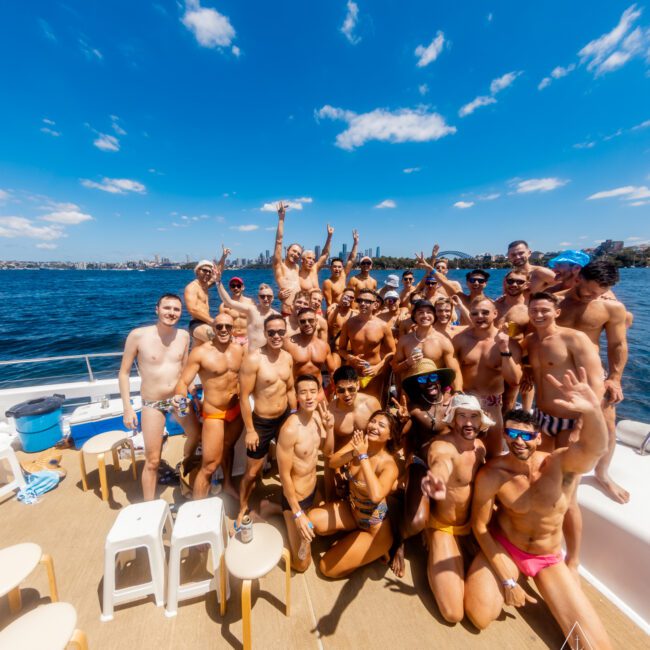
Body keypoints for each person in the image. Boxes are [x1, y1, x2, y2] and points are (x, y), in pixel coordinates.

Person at [464, 370, 612, 649]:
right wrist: (508, 579)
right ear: (505, 435)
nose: (518, 440)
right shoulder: (493, 474)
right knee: (479, 615)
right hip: (506, 546)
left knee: (595, 646)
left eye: (526, 435)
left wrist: (593, 412)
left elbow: (594, 449)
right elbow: (480, 526)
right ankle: (504, 572)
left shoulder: (560, 465)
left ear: (539, 438)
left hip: (546, 556)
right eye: (512, 433)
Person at [524, 291, 605, 571]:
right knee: (540, 480)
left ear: (557, 311)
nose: (539, 315)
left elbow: (596, 384)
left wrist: (581, 424)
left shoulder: (574, 339)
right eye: (534, 310)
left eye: (545, 310)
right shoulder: (530, 342)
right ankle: (542, 543)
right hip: (543, 420)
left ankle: (573, 557)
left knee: (568, 496)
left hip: (571, 424)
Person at [556, 261, 629, 504]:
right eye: (587, 290)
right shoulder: (556, 302)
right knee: (559, 424)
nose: (590, 296)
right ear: (578, 278)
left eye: (597, 293)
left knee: (607, 424)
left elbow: (617, 345)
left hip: (593, 374)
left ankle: (602, 473)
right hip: (558, 373)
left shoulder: (611, 308)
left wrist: (615, 378)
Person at [118, 294, 200, 501]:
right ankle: (149, 505)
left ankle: (185, 465)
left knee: (196, 436)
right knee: (153, 461)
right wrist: (127, 408)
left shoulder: (183, 336)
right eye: (167, 308)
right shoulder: (138, 335)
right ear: (157, 309)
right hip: (152, 403)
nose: (171, 313)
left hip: (178, 399)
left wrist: (194, 396)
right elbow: (124, 373)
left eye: (176, 309)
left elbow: (185, 371)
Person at [418, 394, 490, 622]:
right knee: (453, 614)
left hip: (470, 528)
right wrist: (437, 479)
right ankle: (430, 537)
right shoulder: (443, 446)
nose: (468, 423)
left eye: (473, 417)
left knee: (481, 617)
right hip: (444, 527)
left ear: (481, 421)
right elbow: (441, 462)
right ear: (452, 420)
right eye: (462, 417)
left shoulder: (480, 448)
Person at [309, 411, 400, 578]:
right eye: (373, 422)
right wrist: (354, 452)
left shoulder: (388, 465)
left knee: (326, 568)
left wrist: (363, 456)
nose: (374, 426)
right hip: (352, 512)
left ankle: (377, 550)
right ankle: (352, 541)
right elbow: (333, 462)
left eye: (381, 425)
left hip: (374, 530)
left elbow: (376, 495)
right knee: (311, 521)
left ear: (390, 436)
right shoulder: (358, 443)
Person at [388, 359, 456, 578]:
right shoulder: (415, 408)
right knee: (416, 521)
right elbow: (397, 440)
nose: (429, 383)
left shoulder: (455, 402)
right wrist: (400, 422)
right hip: (422, 465)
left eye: (433, 377)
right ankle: (399, 540)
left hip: (449, 468)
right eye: (423, 380)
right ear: (416, 385)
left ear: (440, 380)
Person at [174, 313, 244, 500]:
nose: (223, 330)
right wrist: (180, 401)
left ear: (233, 329)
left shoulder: (239, 349)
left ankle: (228, 484)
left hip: (235, 410)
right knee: (209, 465)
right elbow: (183, 382)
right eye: (219, 326)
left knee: (229, 447)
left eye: (227, 327)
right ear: (212, 328)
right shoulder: (201, 352)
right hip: (214, 413)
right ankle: (198, 509)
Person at [237, 314, 297, 525]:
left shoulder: (288, 357)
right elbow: (243, 396)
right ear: (264, 333)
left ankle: (290, 501)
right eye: (271, 332)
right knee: (252, 471)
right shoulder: (254, 359)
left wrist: (295, 415)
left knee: (290, 462)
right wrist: (250, 430)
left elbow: (289, 389)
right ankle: (243, 505)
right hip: (261, 422)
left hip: (284, 418)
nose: (276, 336)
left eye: (281, 331)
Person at [277, 375, 334, 571]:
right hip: (296, 499)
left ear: (320, 393)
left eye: (313, 391)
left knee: (327, 533)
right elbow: (284, 476)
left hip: (313, 491)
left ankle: (275, 509)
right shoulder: (290, 429)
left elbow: (328, 453)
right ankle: (280, 513)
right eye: (303, 392)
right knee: (302, 564)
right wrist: (298, 513)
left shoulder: (318, 418)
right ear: (296, 396)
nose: (309, 397)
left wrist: (331, 428)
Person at [453, 298, 522, 457]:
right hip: (465, 403)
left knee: (493, 456)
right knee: (464, 454)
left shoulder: (508, 343)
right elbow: (452, 371)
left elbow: (514, 380)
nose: (479, 316)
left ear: (495, 314)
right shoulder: (460, 340)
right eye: (475, 313)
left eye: (485, 312)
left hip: (492, 405)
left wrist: (504, 349)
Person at [338, 288, 396, 402]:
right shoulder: (348, 324)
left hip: (374, 373)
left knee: (374, 403)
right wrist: (349, 357)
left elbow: (393, 352)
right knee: (355, 404)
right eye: (360, 300)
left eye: (367, 301)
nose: (363, 303)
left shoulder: (383, 326)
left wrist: (378, 367)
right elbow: (341, 349)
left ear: (375, 305)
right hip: (354, 372)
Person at [395, 299, 462, 391]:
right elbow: (395, 369)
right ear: (414, 316)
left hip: (436, 390)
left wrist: (458, 392)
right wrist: (407, 363)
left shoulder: (443, 341)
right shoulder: (404, 340)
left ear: (434, 315)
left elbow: (455, 371)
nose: (425, 315)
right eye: (420, 312)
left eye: (429, 312)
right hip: (412, 391)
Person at [215, 263, 278, 351]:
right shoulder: (251, 309)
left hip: (248, 340)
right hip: (232, 338)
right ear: (258, 298)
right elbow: (228, 302)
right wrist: (218, 282)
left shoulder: (252, 304)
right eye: (262, 296)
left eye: (238, 285)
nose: (266, 299)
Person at [283, 307, 334, 400]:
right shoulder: (288, 344)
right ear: (298, 323)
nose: (307, 324)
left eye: (310, 320)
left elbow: (333, 371)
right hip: (295, 394)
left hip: (318, 393)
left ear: (316, 321)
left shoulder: (324, 346)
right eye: (303, 321)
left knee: (326, 414)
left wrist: (332, 391)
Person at [272, 202, 302, 316]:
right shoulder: (279, 266)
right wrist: (281, 219)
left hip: (301, 313)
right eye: (294, 251)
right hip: (287, 313)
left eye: (298, 253)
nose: (296, 254)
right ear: (287, 251)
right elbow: (279, 241)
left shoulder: (297, 268)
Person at [184, 258, 219, 345]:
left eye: (209, 272)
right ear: (197, 271)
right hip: (197, 324)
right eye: (204, 270)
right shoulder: (192, 287)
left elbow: (218, 274)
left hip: (206, 323)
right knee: (217, 340)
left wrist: (223, 257)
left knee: (198, 351)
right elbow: (192, 309)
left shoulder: (205, 286)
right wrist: (212, 321)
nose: (207, 273)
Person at [322, 230, 360, 309]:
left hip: (346, 309)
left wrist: (355, 243)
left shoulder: (343, 275)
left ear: (342, 268)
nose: (337, 269)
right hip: (336, 311)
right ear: (331, 268)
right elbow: (329, 304)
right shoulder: (328, 283)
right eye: (335, 267)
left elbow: (351, 259)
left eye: (339, 267)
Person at [298, 225, 334, 293]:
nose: (311, 261)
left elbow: (325, 254)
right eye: (309, 258)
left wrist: (329, 236)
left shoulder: (314, 269)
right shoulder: (297, 275)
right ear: (302, 260)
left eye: (313, 259)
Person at [494, 270, 530, 338]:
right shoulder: (493, 306)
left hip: (513, 347)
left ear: (527, 285)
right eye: (510, 281)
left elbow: (532, 338)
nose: (514, 285)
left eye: (520, 282)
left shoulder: (529, 310)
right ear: (505, 283)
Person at [327, 287, 356, 362]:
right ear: (342, 296)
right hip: (337, 351)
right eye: (346, 296)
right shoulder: (334, 310)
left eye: (351, 297)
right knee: (335, 371)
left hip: (351, 352)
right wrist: (339, 306)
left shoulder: (355, 314)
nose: (348, 299)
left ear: (353, 299)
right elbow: (329, 323)